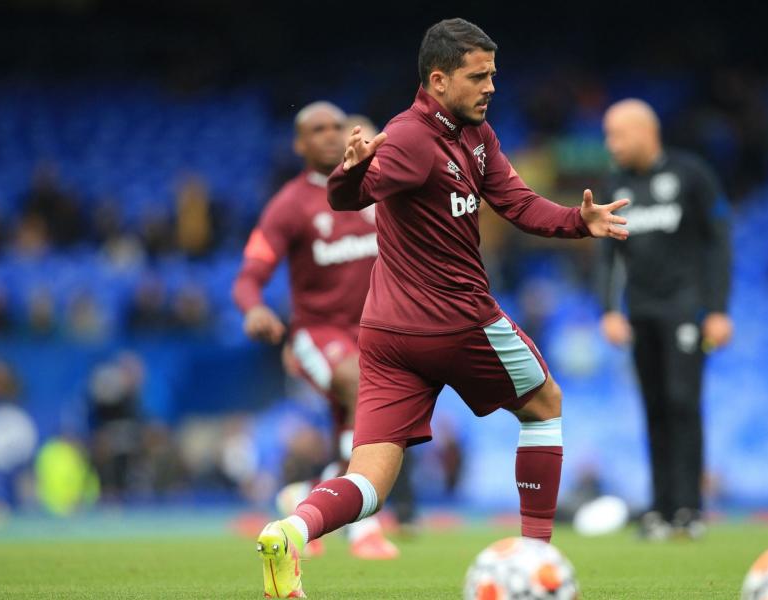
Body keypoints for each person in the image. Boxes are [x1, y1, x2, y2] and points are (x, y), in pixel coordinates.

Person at [254, 18, 629, 598]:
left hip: (384, 333)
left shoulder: (475, 138)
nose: (491, 87)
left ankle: (291, 531)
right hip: (455, 320)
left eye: (493, 75)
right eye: (478, 77)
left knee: (372, 478)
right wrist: (351, 171)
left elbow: (517, 203)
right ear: (438, 79)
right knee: (545, 403)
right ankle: (536, 559)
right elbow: (352, 195)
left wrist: (578, 221)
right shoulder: (410, 138)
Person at [232, 101, 398, 562]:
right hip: (317, 335)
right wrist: (254, 309)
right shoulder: (289, 205)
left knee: (375, 432)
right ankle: (366, 531)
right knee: (363, 388)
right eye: (318, 129)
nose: (330, 135)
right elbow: (249, 275)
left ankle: (304, 497)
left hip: (378, 335)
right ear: (299, 144)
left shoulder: (376, 187)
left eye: (337, 127)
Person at [596, 99, 732, 540]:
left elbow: (718, 243)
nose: (610, 145)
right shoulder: (617, 184)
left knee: (682, 402)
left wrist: (717, 309)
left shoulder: (691, 175)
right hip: (640, 313)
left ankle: (690, 508)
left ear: (642, 132)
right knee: (653, 406)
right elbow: (607, 254)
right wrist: (609, 309)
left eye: (616, 135)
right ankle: (660, 508)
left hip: (687, 311)